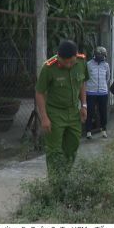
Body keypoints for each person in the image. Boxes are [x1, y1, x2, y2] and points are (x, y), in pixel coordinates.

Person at [35, 40, 88, 180]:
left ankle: (64, 176)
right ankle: (55, 183)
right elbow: (39, 93)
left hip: (73, 111)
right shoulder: (48, 67)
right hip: (55, 113)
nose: (67, 65)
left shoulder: (81, 62)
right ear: (58, 57)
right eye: (64, 62)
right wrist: (44, 117)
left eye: (71, 62)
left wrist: (84, 105)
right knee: (54, 150)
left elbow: (82, 83)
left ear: (76, 56)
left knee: (73, 145)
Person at [85, 46, 110, 139]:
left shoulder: (106, 65)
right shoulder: (88, 64)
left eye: (103, 56)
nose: (102, 58)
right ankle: (88, 131)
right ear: (95, 55)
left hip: (103, 92)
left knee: (103, 112)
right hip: (91, 92)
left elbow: (107, 77)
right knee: (90, 112)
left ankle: (103, 130)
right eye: (100, 56)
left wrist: (103, 86)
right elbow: (86, 78)